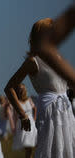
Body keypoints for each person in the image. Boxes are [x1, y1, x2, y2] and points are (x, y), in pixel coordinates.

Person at [4, 18, 75, 158]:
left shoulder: (58, 57)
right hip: (48, 108)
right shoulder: (33, 61)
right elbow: (9, 87)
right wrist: (22, 115)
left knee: (68, 146)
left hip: (65, 107)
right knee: (49, 147)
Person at [9, 84, 37, 158]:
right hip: (22, 125)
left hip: (31, 123)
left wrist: (34, 119)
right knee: (28, 146)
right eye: (20, 89)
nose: (21, 91)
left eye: (22, 89)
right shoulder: (17, 102)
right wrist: (14, 126)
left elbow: (34, 109)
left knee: (32, 145)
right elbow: (14, 115)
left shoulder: (29, 100)